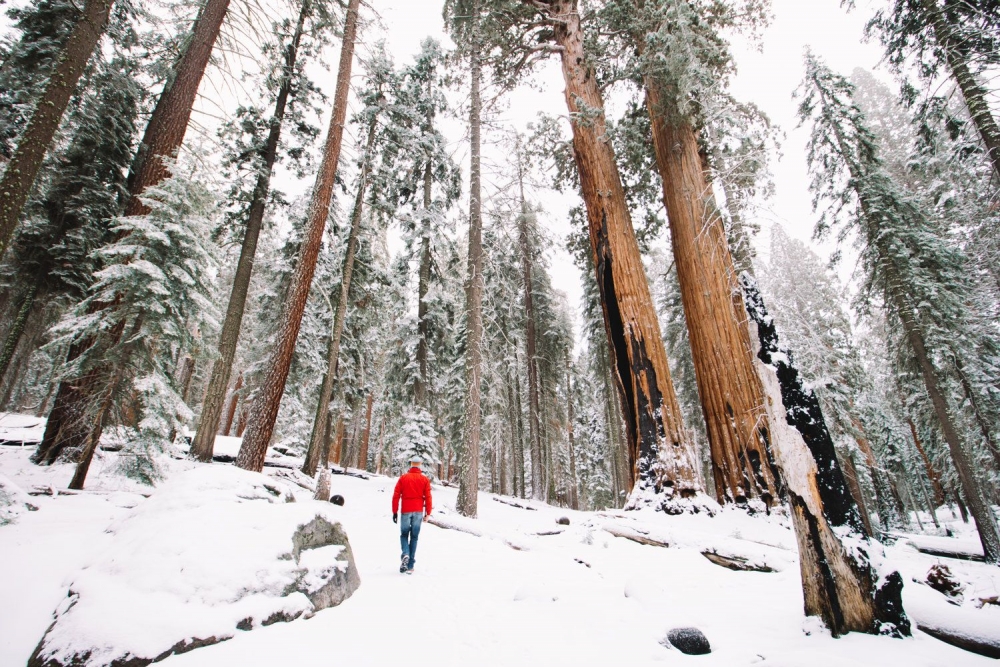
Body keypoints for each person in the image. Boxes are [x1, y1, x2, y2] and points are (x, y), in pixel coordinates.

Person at [392, 456, 432, 574]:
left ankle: (405, 553)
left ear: (411, 464)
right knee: (414, 537)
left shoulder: (403, 478)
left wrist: (395, 511)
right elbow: (428, 497)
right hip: (418, 511)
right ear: (420, 465)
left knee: (404, 535)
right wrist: (428, 513)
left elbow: (396, 495)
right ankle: (410, 566)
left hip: (406, 510)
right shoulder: (424, 479)